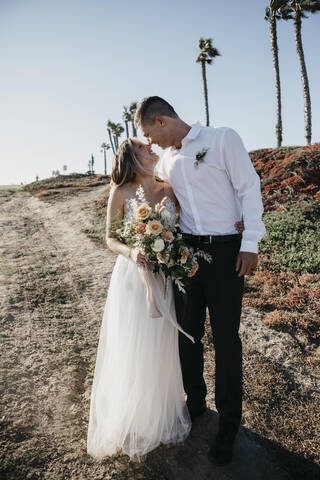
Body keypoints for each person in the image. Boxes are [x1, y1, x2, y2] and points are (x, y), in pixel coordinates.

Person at [86, 136, 245, 462]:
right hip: (134, 277)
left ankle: (165, 406)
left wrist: (234, 220)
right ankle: (136, 413)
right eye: (143, 147)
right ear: (131, 156)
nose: (151, 148)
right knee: (136, 343)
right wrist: (134, 250)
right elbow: (110, 237)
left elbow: (194, 220)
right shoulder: (121, 192)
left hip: (170, 277)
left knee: (166, 343)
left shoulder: (169, 187)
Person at [134, 96, 266, 466]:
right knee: (187, 335)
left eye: (148, 133)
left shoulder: (223, 139)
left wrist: (250, 242)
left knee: (226, 339)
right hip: (186, 257)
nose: (150, 142)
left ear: (161, 120)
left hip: (227, 254)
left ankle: (229, 423)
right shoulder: (165, 160)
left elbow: (248, 189)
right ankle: (195, 404)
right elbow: (145, 184)